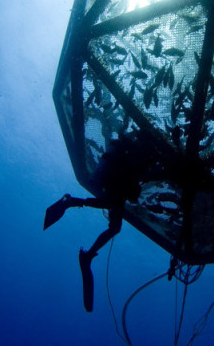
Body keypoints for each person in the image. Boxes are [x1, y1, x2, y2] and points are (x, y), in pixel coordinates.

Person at [43, 130, 158, 312]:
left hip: (117, 182)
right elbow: (134, 173)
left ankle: (74, 209)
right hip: (117, 181)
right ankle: (72, 205)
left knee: (114, 224)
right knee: (113, 219)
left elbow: (137, 176)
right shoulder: (138, 151)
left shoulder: (135, 149)